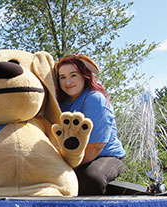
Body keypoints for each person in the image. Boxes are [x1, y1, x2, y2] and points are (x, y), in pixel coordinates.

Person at [54, 54, 126, 195]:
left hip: (104, 155)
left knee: (91, 178)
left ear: (84, 75)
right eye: (62, 77)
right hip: (73, 157)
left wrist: (67, 168)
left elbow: (96, 147)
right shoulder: (60, 104)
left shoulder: (94, 99)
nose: (67, 81)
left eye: (73, 75)